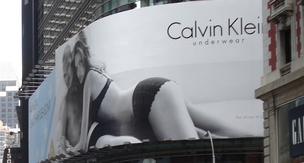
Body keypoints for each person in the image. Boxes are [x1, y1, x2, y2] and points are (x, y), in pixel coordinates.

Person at [64, 30, 250, 154]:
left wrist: (69, 148)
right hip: (155, 93)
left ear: (86, 59)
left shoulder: (90, 77)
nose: (79, 69)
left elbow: (82, 140)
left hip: (146, 100)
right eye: (76, 65)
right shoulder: (89, 83)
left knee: (191, 156)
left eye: (80, 63)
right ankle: (266, 140)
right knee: (218, 132)